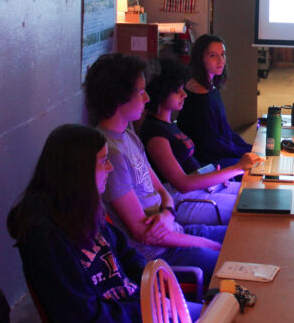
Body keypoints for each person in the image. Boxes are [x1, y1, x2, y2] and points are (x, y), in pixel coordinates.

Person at [6, 124, 200, 323]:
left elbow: (128, 256)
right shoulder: (45, 237)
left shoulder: (84, 207)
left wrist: (153, 288)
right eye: (103, 161)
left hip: (139, 316)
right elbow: (82, 315)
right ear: (78, 171)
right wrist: (148, 312)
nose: (109, 168)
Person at [85, 53, 223, 285]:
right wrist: (205, 243)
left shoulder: (129, 136)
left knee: (239, 241)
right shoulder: (111, 155)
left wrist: (167, 214)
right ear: (118, 98)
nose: (147, 98)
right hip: (160, 255)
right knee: (228, 258)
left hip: (174, 230)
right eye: (140, 92)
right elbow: (144, 234)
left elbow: (161, 190)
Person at [141, 58, 260, 224]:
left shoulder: (167, 125)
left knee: (258, 192)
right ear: (161, 94)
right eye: (177, 91)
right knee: (255, 207)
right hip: (184, 199)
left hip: (199, 188)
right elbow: (182, 183)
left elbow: (188, 170)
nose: (184, 94)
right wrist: (236, 168)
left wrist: (213, 174)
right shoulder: (155, 135)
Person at [176, 34, 254, 168]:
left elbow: (224, 131)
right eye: (213, 55)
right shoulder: (199, 93)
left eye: (223, 54)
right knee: (253, 167)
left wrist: (250, 148)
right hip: (206, 159)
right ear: (200, 58)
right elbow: (211, 143)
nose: (221, 60)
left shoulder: (209, 87)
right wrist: (244, 152)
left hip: (218, 150)